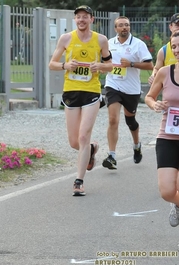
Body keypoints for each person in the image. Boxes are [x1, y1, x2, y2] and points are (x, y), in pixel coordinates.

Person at [48, 5, 112, 196]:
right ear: (75, 20)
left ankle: (79, 182)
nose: (81, 20)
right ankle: (92, 149)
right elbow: (52, 64)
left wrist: (99, 66)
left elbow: (110, 66)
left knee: (84, 136)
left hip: (91, 91)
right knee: (74, 142)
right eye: (78, 17)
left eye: (85, 17)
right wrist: (65, 65)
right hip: (71, 91)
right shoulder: (66, 38)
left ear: (91, 19)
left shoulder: (101, 40)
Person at [102, 16, 154, 170]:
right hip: (113, 85)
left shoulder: (138, 44)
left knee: (130, 121)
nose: (124, 27)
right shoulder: (109, 44)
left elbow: (150, 65)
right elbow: (104, 61)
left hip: (131, 89)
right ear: (115, 28)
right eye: (121, 25)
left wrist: (131, 64)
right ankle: (111, 155)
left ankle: (137, 145)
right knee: (113, 120)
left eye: (127, 25)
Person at [145, 31, 179, 228]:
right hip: (167, 137)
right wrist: (154, 105)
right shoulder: (165, 72)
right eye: (173, 46)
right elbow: (149, 97)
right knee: (167, 191)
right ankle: (176, 204)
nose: (177, 50)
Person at [148, 13, 179, 85]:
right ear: (170, 27)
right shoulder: (163, 51)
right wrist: (153, 76)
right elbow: (157, 68)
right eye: (177, 25)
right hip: (171, 91)